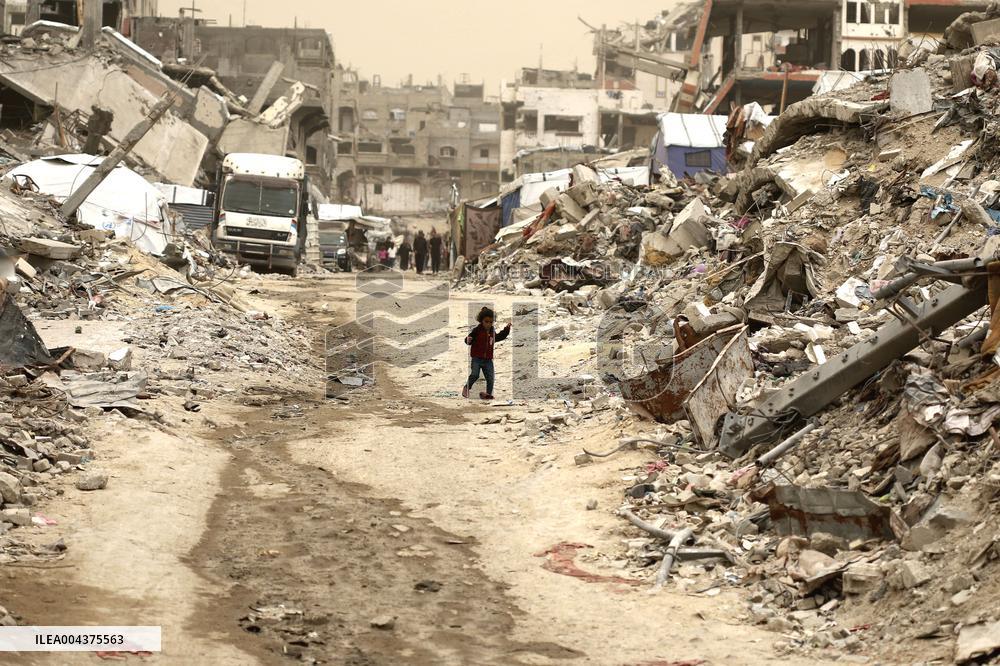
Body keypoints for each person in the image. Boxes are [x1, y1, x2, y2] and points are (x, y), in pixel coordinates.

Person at [462, 306, 511, 401]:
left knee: (490, 378)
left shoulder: (492, 331)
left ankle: (488, 394)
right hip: (477, 358)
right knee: (475, 375)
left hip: (488, 360)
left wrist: (506, 330)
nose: (488, 324)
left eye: (490, 322)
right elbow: (469, 339)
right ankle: (467, 387)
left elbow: (499, 337)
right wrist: (468, 340)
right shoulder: (477, 330)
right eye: (486, 321)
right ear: (481, 321)